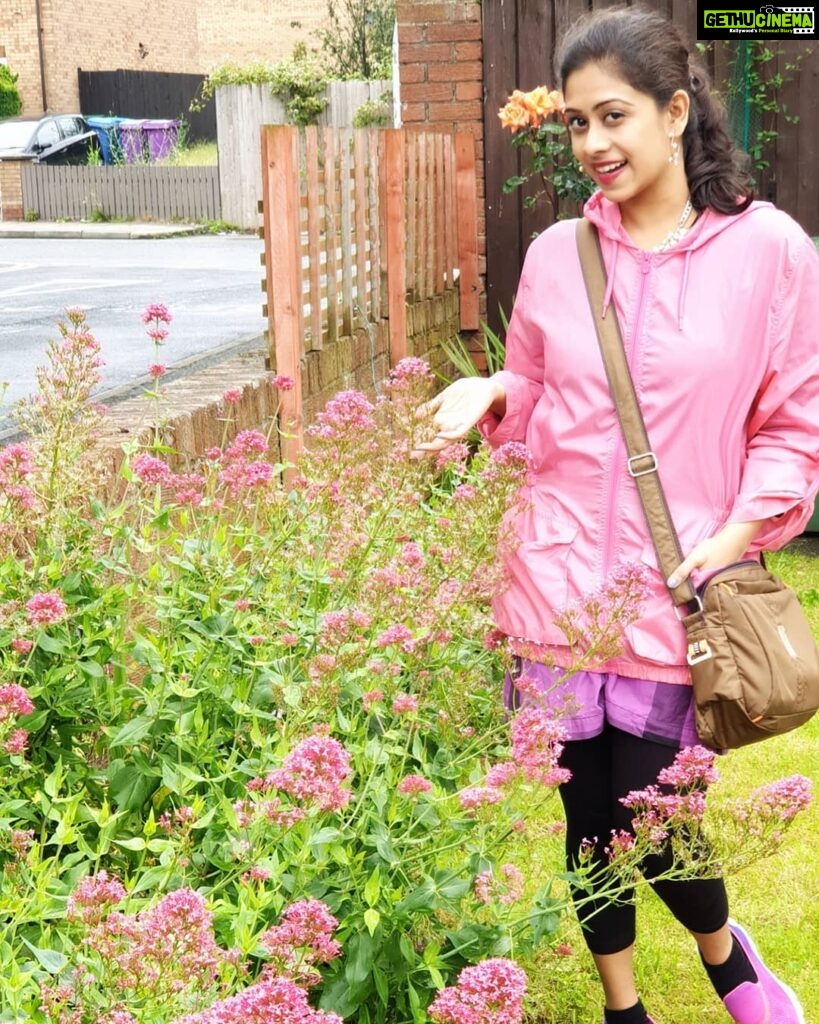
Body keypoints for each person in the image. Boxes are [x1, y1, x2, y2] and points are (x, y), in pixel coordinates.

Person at [416, 7, 819, 1024]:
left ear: (676, 111)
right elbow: (542, 401)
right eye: (576, 125)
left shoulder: (768, 252)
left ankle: (728, 961)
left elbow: (792, 424)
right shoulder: (559, 255)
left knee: (658, 823)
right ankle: (622, 1006)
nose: (594, 143)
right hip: (550, 582)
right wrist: (494, 397)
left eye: (614, 117)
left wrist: (732, 539)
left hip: (669, 592)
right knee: (586, 820)